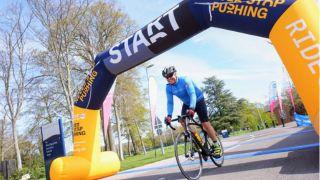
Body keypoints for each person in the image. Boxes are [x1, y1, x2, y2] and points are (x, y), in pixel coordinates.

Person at [162, 66, 221, 157]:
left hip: (198, 100)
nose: (169, 78)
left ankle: (216, 145)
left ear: (175, 73)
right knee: (182, 120)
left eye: (170, 75)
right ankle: (196, 141)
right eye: (167, 77)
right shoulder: (168, 88)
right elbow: (170, 102)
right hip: (187, 103)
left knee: (205, 123)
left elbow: (192, 94)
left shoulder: (185, 80)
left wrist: (192, 108)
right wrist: (169, 116)